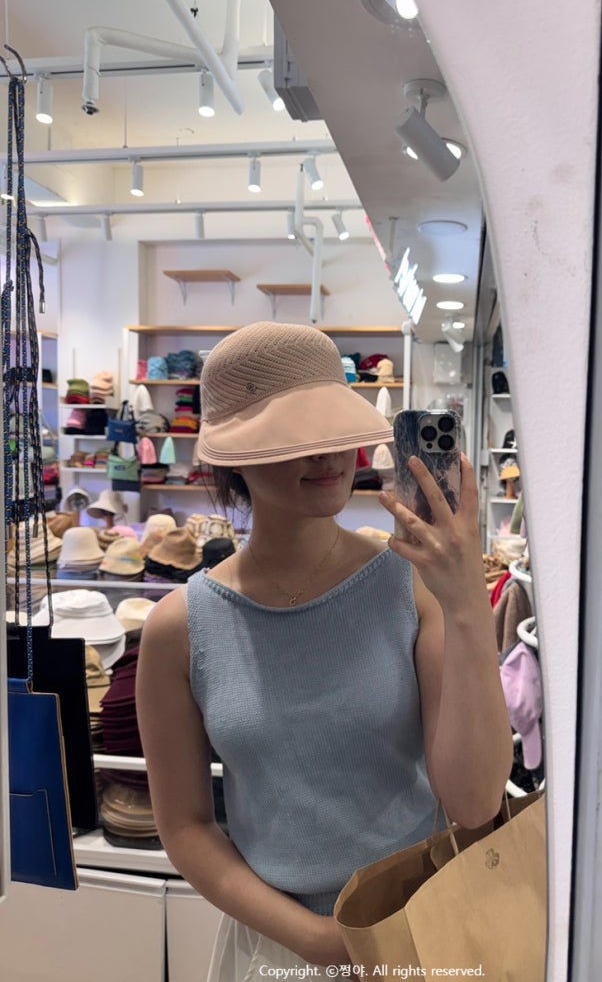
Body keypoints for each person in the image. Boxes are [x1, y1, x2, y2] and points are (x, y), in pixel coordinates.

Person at [136, 322, 513, 976]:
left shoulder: (410, 585)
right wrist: (312, 938)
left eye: (335, 431)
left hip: (415, 930)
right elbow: (186, 826)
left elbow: (475, 802)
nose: (329, 457)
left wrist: (465, 608)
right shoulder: (180, 629)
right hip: (275, 946)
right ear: (234, 458)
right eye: (295, 439)